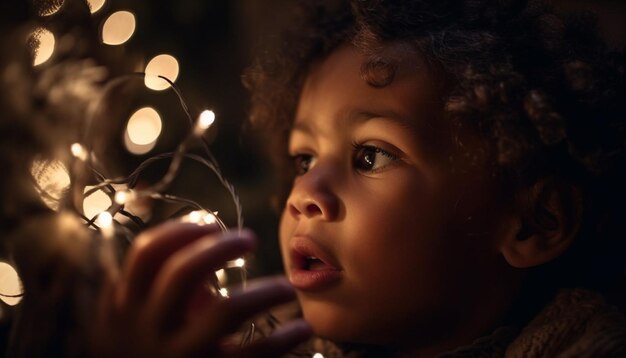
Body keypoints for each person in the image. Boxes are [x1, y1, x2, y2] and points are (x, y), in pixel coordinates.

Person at [92, 0, 626, 356]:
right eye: (303, 159)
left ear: (536, 222)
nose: (304, 195)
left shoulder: (587, 344)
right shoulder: (264, 339)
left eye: (370, 156)